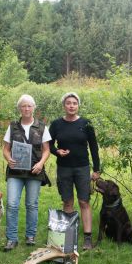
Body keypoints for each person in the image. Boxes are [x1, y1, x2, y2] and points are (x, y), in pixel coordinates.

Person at [49, 92, 100, 251]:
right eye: (68, 103)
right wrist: (57, 152)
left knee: (84, 201)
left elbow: (93, 147)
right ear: (64, 106)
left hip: (82, 168)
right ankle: (69, 236)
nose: (71, 106)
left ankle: (87, 237)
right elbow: (48, 145)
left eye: (74, 103)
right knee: (68, 202)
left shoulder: (86, 123)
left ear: (78, 106)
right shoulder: (56, 124)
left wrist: (97, 169)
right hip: (64, 168)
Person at [2, 94, 51, 251]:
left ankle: (30, 236)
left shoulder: (42, 127)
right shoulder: (12, 126)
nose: (27, 108)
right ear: (19, 108)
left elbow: (46, 150)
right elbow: (5, 149)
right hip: (15, 172)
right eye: (23, 106)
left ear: (34, 108)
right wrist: (9, 159)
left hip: (34, 172)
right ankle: (11, 238)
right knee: (12, 204)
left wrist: (41, 164)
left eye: (29, 106)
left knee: (32, 204)